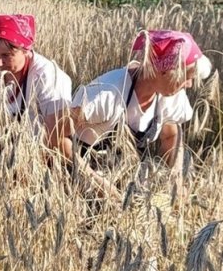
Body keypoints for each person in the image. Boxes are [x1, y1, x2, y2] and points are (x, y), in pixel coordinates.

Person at [59, 30, 213, 199]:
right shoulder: (106, 94)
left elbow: (171, 136)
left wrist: (175, 180)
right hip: (75, 178)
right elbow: (58, 137)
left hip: (123, 180)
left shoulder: (171, 96)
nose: (189, 85)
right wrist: (96, 182)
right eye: (186, 77)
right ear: (165, 71)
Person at [0, 14, 72, 151]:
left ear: (26, 50)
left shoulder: (47, 76)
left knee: (64, 145)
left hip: (37, 145)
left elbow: (55, 134)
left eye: (6, 55)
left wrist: (24, 156)